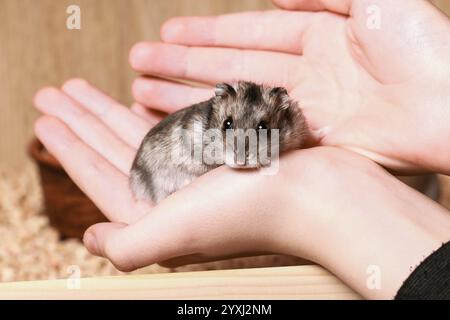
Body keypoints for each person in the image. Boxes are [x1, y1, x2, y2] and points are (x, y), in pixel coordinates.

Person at [33, 0, 450, 299]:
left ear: (285, 119)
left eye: (263, 131)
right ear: (215, 115)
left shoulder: (295, 125)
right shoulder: (194, 131)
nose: (246, 150)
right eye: (230, 127)